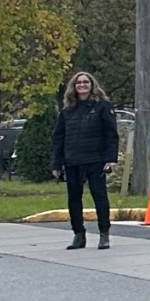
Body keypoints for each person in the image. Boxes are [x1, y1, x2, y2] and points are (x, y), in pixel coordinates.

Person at [51, 70, 119, 250]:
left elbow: (111, 134)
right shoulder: (67, 111)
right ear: (73, 87)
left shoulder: (102, 106)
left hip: (95, 159)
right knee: (74, 199)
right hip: (72, 160)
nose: (82, 85)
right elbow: (58, 137)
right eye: (78, 83)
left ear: (91, 85)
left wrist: (110, 158)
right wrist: (56, 164)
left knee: (100, 197)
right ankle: (78, 235)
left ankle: (104, 234)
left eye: (85, 82)